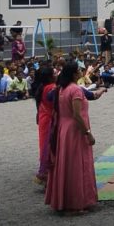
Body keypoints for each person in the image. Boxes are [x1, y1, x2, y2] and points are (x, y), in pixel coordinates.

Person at [44, 61, 97, 214]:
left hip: (64, 128)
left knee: (66, 164)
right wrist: (88, 132)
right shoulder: (75, 90)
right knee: (76, 165)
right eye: (79, 70)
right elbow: (77, 114)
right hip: (75, 130)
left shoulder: (61, 89)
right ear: (74, 73)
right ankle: (74, 203)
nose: (81, 71)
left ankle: (67, 200)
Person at [34, 66, 56, 184]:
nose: (56, 74)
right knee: (50, 145)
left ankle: (44, 172)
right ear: (49, 77)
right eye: (54, 73)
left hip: (43, 117)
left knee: (44, 145)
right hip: (50, 119)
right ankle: (47, 174)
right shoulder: (51, 87)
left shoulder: (41, 87)